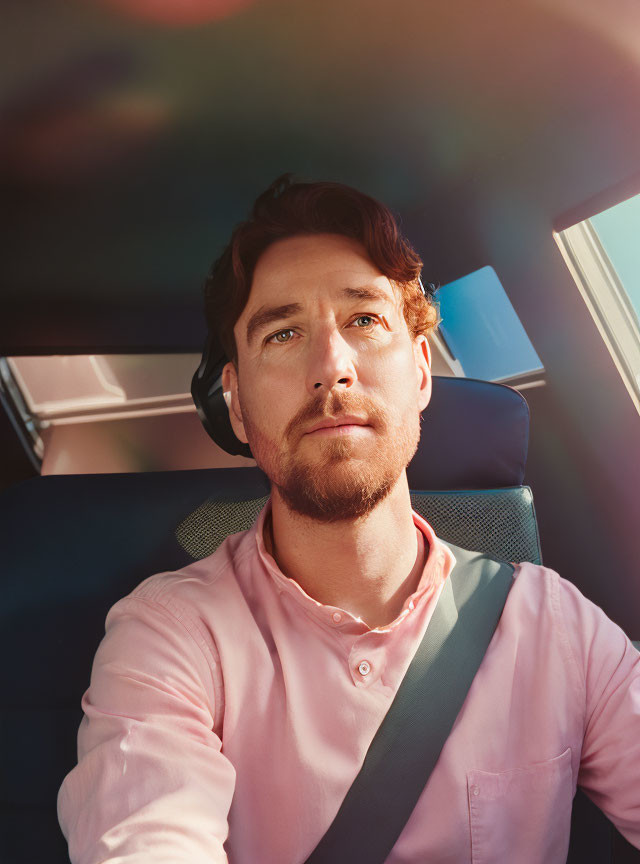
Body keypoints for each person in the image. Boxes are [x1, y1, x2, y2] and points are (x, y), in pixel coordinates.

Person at [57, 175, 640, 863]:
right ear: (237, 406)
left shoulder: (560, 629)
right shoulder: (171, 638)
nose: (331, 368)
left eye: (364, 320)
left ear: (421, 372)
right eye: (282, 333)